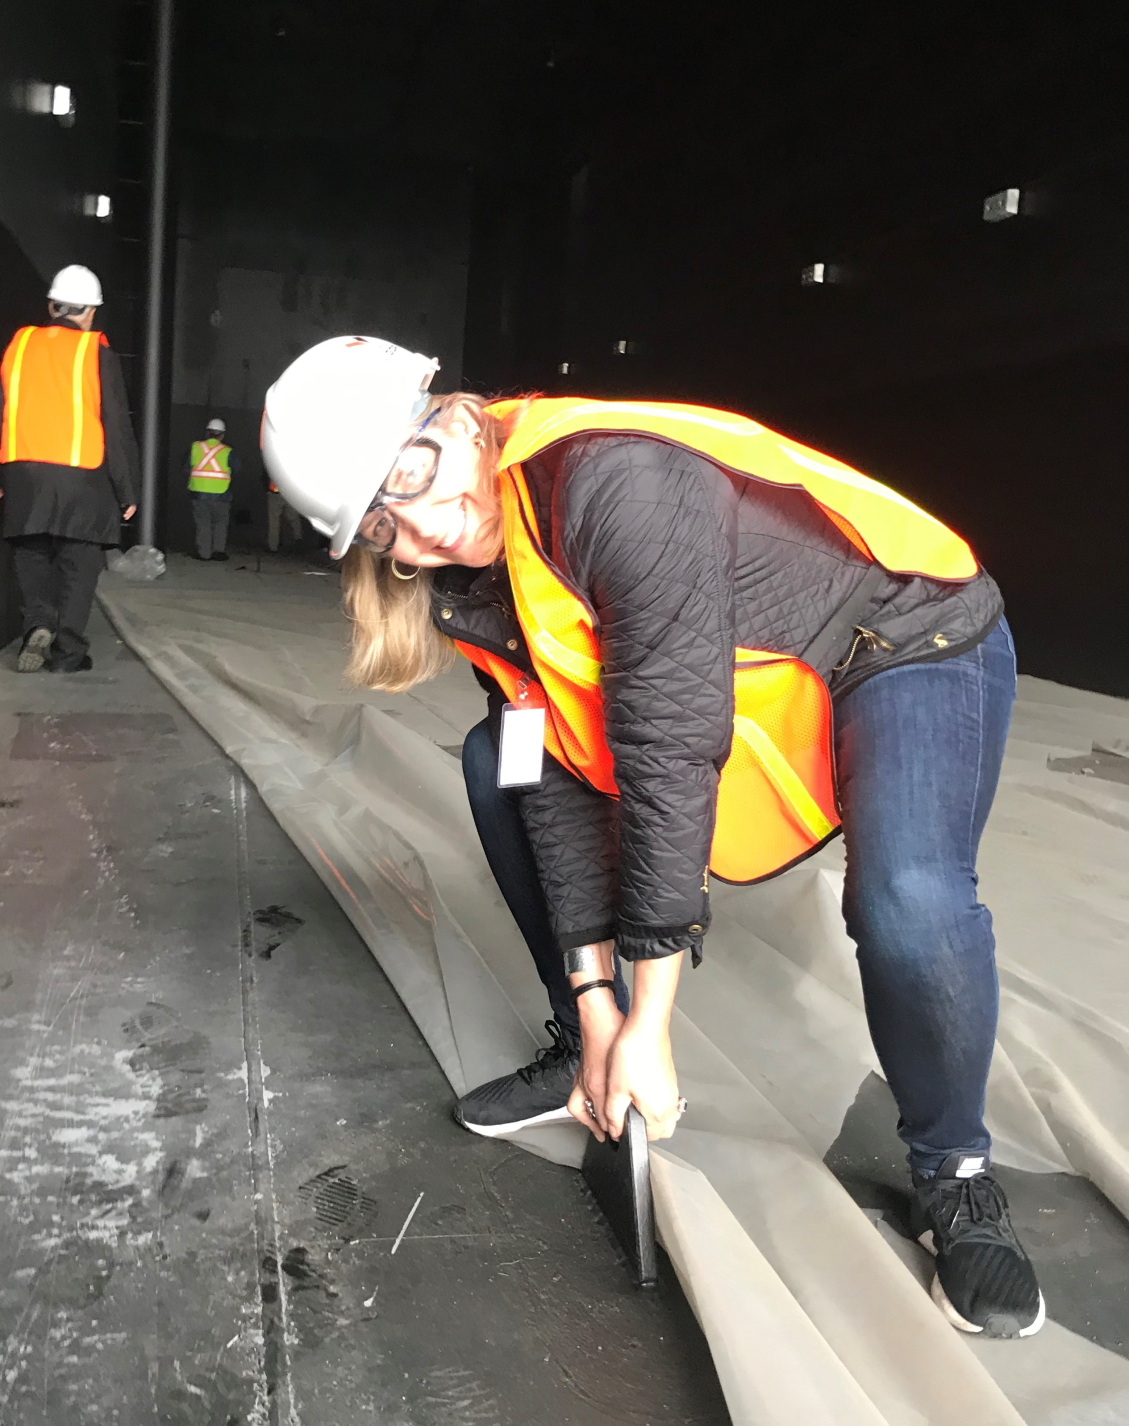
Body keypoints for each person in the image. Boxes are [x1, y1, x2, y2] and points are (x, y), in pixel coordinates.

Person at [260, 333, 1044, 1342]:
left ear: (452, 414)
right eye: (379, 520)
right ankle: (575, 1048)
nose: (419, 525)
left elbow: (665, 748)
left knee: (908, 899)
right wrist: (597, 1009)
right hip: (751, 685)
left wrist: (652, 1024)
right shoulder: (466, 590)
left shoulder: (614, 484)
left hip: (898, 642)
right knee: (492, 764)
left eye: (408, 473)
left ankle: (956, 1173)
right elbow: (544, 774)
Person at [0, 265, 140, 672]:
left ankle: (38, 623)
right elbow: (116, 426)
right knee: (79, 565)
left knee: (32, 554)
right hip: (82, 478)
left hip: (25, 473)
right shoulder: (96, 353)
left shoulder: (19, 345)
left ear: (52, 306)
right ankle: (68, 651)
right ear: (89, 312)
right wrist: (128, 491)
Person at [189, 418, 232, 560]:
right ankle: (218, 552)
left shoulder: (196, 447)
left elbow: (185, 467)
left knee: (203, 524)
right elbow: (238, 467)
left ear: (207, 433)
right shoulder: (227, 451)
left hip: (199, 494)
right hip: (221, 495)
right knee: (220, 524)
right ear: (222, 435)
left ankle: (203, 553)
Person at [265, 476, 305, 553]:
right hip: (290, 493)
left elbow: (265, 475)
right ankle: (298, 537)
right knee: (294, 517)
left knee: (274, 520)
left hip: (275, 493)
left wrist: (267, 488)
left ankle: (273, 546)